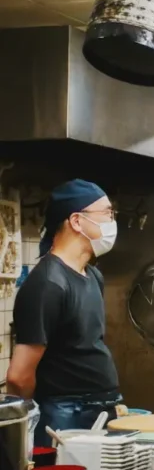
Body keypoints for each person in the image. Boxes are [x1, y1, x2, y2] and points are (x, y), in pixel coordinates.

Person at [6, 180, 121, 444]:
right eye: (106, 213)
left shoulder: (93, 276)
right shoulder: (47, 283)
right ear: (77, 221)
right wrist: (26, 428)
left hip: (100, 411)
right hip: (63, 417)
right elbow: (18, 376)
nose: (112, 222)